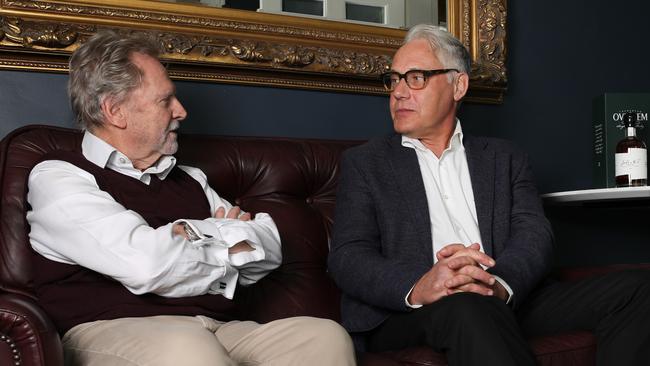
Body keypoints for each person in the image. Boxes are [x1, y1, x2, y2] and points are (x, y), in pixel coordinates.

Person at [26, 30, 355, 366]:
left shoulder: (191, 179)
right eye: (164, 100)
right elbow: (147, 266)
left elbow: (269, 247)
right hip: (110, 329)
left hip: (216, 327)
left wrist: (189, 236)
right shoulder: (59, 177)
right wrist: (224, 238)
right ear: (115, 111)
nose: (181, 111)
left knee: (323, 337)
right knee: (189, 349)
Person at [328, 23, 650, 366]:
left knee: (639, 290)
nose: (399, 92)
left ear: (458, 85)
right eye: (394, 80)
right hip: (411, 312)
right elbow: (348, 256)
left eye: (416, 77)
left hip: (503, 295)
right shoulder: (366, 163)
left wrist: (497, 283)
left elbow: (534, 235)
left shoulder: (504, 157)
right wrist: (420, 285)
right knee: (468, 307)